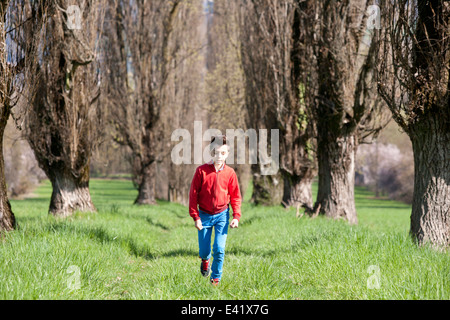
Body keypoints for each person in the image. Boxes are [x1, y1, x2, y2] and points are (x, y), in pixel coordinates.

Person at [188, 135, 242, 286]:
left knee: (219, 248)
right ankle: (205, 260)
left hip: (222, 215)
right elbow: (193, 195)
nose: (220, 156)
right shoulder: (201, 171)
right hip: (204, 215)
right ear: (212, 152)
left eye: (223, 153)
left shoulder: (230, 173)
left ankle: (216, 278)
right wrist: (196, 217)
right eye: (217, 153)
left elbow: (236, 196)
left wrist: (236, 216)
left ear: (227, 154)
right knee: (205, 251)